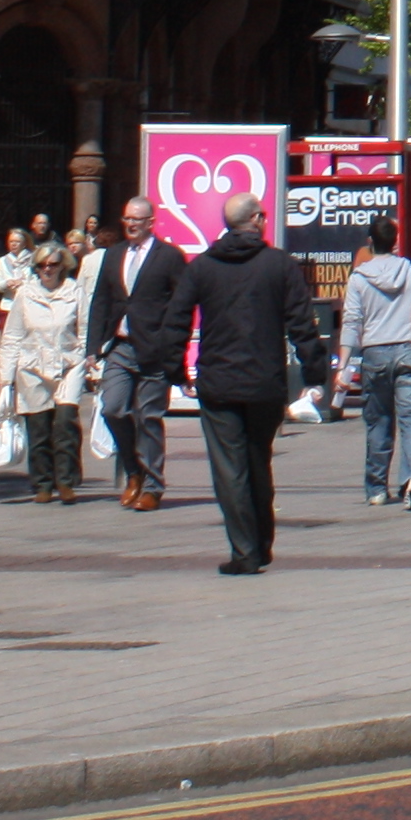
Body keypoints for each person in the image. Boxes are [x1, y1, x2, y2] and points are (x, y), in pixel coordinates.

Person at [179, 193, 307, 576]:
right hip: (264, 382)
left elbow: (177, 317)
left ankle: (245, 550)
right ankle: (262, 543)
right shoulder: (279, 265)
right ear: (257, 219)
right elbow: (301, 320)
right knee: (258, 460)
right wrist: (315, 375)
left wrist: (173, 367)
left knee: (229, 468)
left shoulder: (202, 267)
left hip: (219, 382)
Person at [85, 197, 184, 511]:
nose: (130, 224)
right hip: (120, 347)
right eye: (126, 218)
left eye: (136, 220)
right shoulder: (113, 255)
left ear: (151, 222)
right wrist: (92, 348)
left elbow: (182, 306)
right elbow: (100, 300)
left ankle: (153, 487)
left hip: (155, 351)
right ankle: (134, 471)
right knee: (112, 408)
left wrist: (172, 347)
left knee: (149, 418)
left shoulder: (169, 257)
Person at [340, 213, 411, 512]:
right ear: (395, 241)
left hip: (375, 353)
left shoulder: (359, 277)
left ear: (370, 242)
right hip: (409, 351)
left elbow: (352, 322)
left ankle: (377, 489)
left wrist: (343, 365)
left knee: (378, 421)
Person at [0, 235, 88, 506]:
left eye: (53, 264)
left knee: (64, 423)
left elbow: (84, 331)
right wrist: (5, 379)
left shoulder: (75, 292)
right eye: (42, 265)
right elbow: (12, 336)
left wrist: (87, 364)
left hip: (67, 364)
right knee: (38, 429)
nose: (47, 269)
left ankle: (66, 481)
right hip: (32, 367)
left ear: (64, 265)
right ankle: (43, 483)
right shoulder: (26, 293)